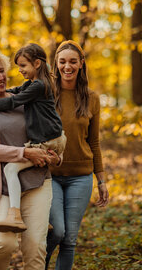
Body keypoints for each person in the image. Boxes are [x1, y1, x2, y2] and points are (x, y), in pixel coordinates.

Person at [0, 46, 59, 270]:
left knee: (36, 248)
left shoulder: (23, 98)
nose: (1, 77)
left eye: (2, 71)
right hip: (2, 184)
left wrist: (56, 156)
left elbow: (49, 128)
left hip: (37, 181)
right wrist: (24, 153)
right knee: (3, 243)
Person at [0, 43, 66, 233]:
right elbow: (15, 91)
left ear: (37, 64)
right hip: (52, 138)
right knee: (17, 169)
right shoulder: (34, 84)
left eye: (23, 66)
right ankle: (37, 220)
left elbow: (14, 100)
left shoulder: (39, 86)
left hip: (49, 140)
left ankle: (14, 214)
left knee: (11, 169)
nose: (19, 70)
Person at [46, 40, 110, 269]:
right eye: (62, 62)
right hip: (49, 175)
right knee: (57, 231)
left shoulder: (91, 98)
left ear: (81, 64)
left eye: (73, 61)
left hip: (80, 178)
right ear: (56, 64)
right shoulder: (46, 93)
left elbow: (94, 142)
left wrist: (101, 180)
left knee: (70, 239)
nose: (67, 66)